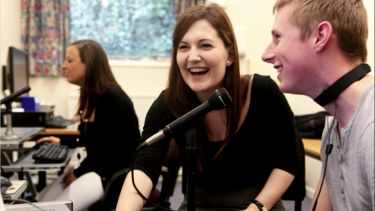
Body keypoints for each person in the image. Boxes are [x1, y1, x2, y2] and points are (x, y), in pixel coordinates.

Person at [116, 3, 302, 211]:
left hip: (258, 203)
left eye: (205, 45)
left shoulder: (261, 91)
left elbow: (288, 161)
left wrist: (257, 207)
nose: (193, 57)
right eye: (184, 47)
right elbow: (143, 168)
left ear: (230, 55)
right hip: (198, 204)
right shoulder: (168, 103)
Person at [262, 0, 374, 210]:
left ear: (320, 36)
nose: (266, 54)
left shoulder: (371, 128)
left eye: (278, 38)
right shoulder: (334, 125)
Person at [36, 39, 140, 210]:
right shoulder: (93, 95)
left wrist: (78, 172)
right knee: (40, 201)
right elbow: (95, 139)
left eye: (69, 61)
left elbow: (111, 152)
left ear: (89, 64)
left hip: (113, 178)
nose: (63, 66)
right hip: (100, 171)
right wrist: (62, 143)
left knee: (47, 208)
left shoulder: (111, 98)